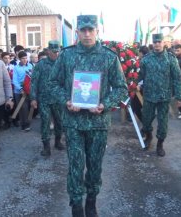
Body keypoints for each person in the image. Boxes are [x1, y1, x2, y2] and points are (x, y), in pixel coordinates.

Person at [49, 15, 127, 217]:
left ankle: (91, 201)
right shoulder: (66, 56)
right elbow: (52, 84)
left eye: (90, 30)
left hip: (98, 122)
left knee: (94, 166)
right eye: (83, 30)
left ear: (97, 31)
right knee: (75, 165)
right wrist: (67, 100)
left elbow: (121, 88)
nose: (87, 34)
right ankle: (76, 205)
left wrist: (105, 104)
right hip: (73, 122)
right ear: (77, 32)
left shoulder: (109, 57)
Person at [139, 33, 181, 156]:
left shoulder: (170, 59)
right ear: (153, 43)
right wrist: (136, 84)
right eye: (155, 42)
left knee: (163, 122)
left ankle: (160, 144)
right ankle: (149, 136)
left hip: (164, 96)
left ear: (164, 43)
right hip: (149, 95)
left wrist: (179, 96)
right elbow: (141, 76)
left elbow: (177, 78)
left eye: (159, 42)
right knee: (146, 120)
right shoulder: (146, 59)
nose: (157, 44)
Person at [30, 40, 65, 157]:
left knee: (59, 122)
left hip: (58, 99)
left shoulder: (62, 64)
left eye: (57, 52)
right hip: (44, 99)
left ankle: (58, 141)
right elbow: (34, 81)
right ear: (48, 51)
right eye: (54, 51)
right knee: (45, 122)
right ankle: (46, 147)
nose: (56, 54)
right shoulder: (41, 64)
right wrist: (33, 98)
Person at [12, 51, 33, 131]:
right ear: (19, 59)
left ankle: (27, 123)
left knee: (29, 107)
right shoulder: (16, 68)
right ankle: (24, 125)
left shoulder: (30, 66)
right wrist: (20, 89)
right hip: (19, 91)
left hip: (29, 90)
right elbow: (14, 80)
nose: (24, 60)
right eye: (23, 58)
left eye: (25, 58)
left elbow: (32, 77)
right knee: (23, 108)